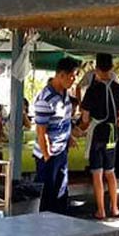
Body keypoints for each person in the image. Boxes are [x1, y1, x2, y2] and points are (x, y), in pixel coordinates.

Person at [81, 53, 119, 219]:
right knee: (110, 172)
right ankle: (115, 208)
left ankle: (101, 210)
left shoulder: (92, 90)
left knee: (97, 173)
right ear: (112, 67)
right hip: (112, 134)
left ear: (96, 69)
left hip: (97, 134)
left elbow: (85, 118)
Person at [33, 56, 80, 214]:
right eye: (72, 76)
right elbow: (41, 132)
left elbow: (64, 120)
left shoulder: (65, 94)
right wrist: (47, 156)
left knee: (61, 192)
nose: (74, 80)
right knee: (47, 195)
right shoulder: (45, 99)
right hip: (48, 154)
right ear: (61, 75)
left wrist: (69, 137)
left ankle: (60, 221)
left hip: (61, 150)